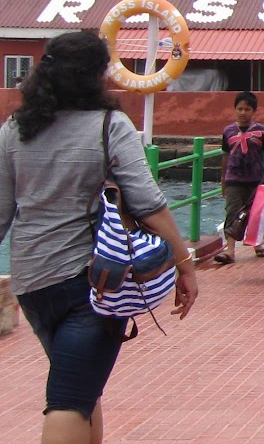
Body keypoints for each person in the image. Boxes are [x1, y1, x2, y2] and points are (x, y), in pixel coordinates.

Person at [0, 31, 198, 444]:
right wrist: (185, 264)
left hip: (32, 281)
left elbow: (2, 213)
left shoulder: (14, 129)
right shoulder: (110, 125)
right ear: (96, 75)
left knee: (83, 387)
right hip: (94, 283)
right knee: (69, 399)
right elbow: (148, 204)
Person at [217, 91, 264, 264]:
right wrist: (223, 179)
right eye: (240, 109)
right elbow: (225, 155)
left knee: (255, 214)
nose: (243, 113)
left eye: (247, 109)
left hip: (256, 178)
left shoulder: (262, 132)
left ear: (254, 111)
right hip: (234, 178)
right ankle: (230, 250)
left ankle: (257, 243)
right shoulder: (228, 131)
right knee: (232, 211)